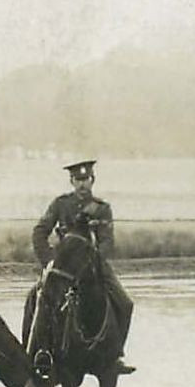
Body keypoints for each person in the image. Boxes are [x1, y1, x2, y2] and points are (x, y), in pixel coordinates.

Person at [30, 158, 134, 374]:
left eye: (86, 179)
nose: (82, 184)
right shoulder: (60, 205)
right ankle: (40, 353)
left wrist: (94, 260)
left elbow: (107, 241)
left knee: (125, 303)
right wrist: (49, 260)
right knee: (38, 299)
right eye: (78, 179)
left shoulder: (102, 209)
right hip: (63, 266)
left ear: (92, 180)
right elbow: (39, 232)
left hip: (93, 265)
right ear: (71, 181)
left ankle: (115, 355)